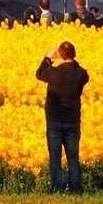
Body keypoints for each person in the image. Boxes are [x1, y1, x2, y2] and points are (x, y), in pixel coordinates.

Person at [35, 41, 90, 193]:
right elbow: (83, 73)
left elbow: (39, 74)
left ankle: (57, 188)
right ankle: (75, 189)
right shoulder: (81, 74)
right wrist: (73, 61)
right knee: (73, 158)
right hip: (72, 121)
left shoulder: (54, 72)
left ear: (60, 55)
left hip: (54, 121)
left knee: (55, 158)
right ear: (74, 54)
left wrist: (48, 58)